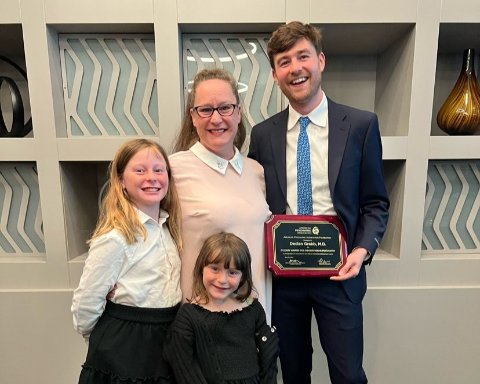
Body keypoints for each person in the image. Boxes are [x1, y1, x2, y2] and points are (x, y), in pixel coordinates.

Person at [248, 21, 390, 384]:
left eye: (302, 56)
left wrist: (363, 250)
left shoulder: (360, 125)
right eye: (283, 61)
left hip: (340, 273)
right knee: (293, 373)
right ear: (276, 74)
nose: (295, 68)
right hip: (284, 277)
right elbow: (254, 202)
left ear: (321, 60)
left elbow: (375, 202)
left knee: (348, 374)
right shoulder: (263, 135)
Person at [71, 138, 182, 384]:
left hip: (165, 338)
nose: (151, 177)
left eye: (158, 169)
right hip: (125, 346)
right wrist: (108, 338)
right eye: (139, 170)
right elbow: (86, 303)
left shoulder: (167, 229)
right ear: (121, 181)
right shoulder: (115, 238)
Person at [169, 68, 272, 316]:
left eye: (225, 108)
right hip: (202, 324)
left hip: (255, 318)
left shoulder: (256, 171)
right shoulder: (172, 169)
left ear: (238, 113)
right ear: (192, 117)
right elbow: (143, 232)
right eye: (205, 110)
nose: (216, 119)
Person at [164, 232, 279, 384]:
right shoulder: (188, 316)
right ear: (201, 268)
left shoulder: (253, 309)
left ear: (242, 276)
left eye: (232, 272)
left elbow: (268, 360)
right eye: (214, 269)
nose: (222, 280)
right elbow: (184, 368)